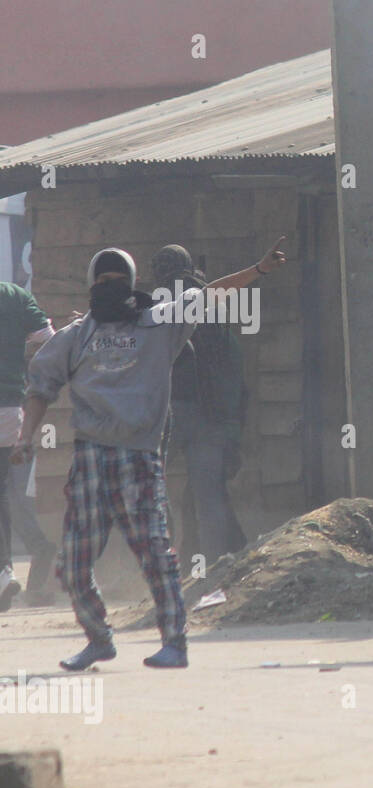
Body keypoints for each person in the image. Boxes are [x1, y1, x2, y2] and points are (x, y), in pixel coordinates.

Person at [13, 239, 286, 670]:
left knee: (156, 555)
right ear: (92, 284)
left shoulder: (161, 323)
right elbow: (39, 387)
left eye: (117, 279)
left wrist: (260, 269)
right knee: (74, 563)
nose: (110, 285)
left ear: (132, 283)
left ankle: (174, 641)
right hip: (89, 460)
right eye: (103, 280)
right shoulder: (75, 336)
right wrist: (26, 435)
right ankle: (99, 639)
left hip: (137, 457)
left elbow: (213, 292)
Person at [150, 245, 249, 566]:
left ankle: (163, 560)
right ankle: (221, 563)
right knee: (208, 493)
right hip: (213, 414)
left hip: (171, 410)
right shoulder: (213, 301)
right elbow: (232, 365)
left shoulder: (163, 299)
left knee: (150, 484)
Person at [0, 281, 54, 610]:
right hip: (10, 411)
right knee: (9, 495)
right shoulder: (16, 296)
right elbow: (49, 337)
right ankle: (5, 571)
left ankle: (6, 570)